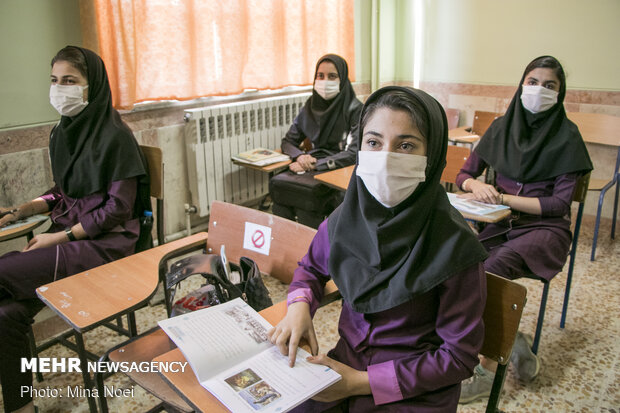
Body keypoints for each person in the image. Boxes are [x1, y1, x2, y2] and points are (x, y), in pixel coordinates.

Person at [268, 86, 489, 412]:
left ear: (433, 154)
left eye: (406, 145)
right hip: (347, 362)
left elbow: (458, 357)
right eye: (374, 142)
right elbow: (311, 269)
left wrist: (358, 382)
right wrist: (299, 306)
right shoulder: (346, 217)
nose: (386, 158)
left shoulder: (455, 246)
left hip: (413, 388)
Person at [0, 46, 150, 413]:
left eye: (70, 81)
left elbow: (119, 208)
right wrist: (28, 207)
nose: (59, 89)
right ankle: (22, 405)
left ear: (92, 85)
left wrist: (60, 236)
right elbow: (64, 190)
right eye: (54, 81)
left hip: (106, 244)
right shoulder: (63, 133)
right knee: (4, 316)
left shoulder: (115, 135)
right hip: (69, 236)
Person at [455, 56, 593, 403]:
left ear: (560, 94)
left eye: (550, 86)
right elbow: (463, 174)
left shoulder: (568, 136)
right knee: (459, 265)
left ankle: (486, 369)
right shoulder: (501, 126)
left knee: (490, 270)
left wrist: (502, 197)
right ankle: (511, 337)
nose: (539, 91)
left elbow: (559, 205)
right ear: (521, 85)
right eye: (533, 82)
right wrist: (475, 186)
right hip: (499, 221)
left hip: (545, 230)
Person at [269, 54, 362, 228]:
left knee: (307, 206)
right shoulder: (311, 106)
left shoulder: (355, 109)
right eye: (320, 76)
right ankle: (284, 246)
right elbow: (288, 141)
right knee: (281, 196)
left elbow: (353, 153)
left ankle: (312, 251)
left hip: (337, 168)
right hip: (310, 163)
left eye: (332, 76)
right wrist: (300, 157)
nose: (325, 81)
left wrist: (316, 164)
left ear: (342, 79)